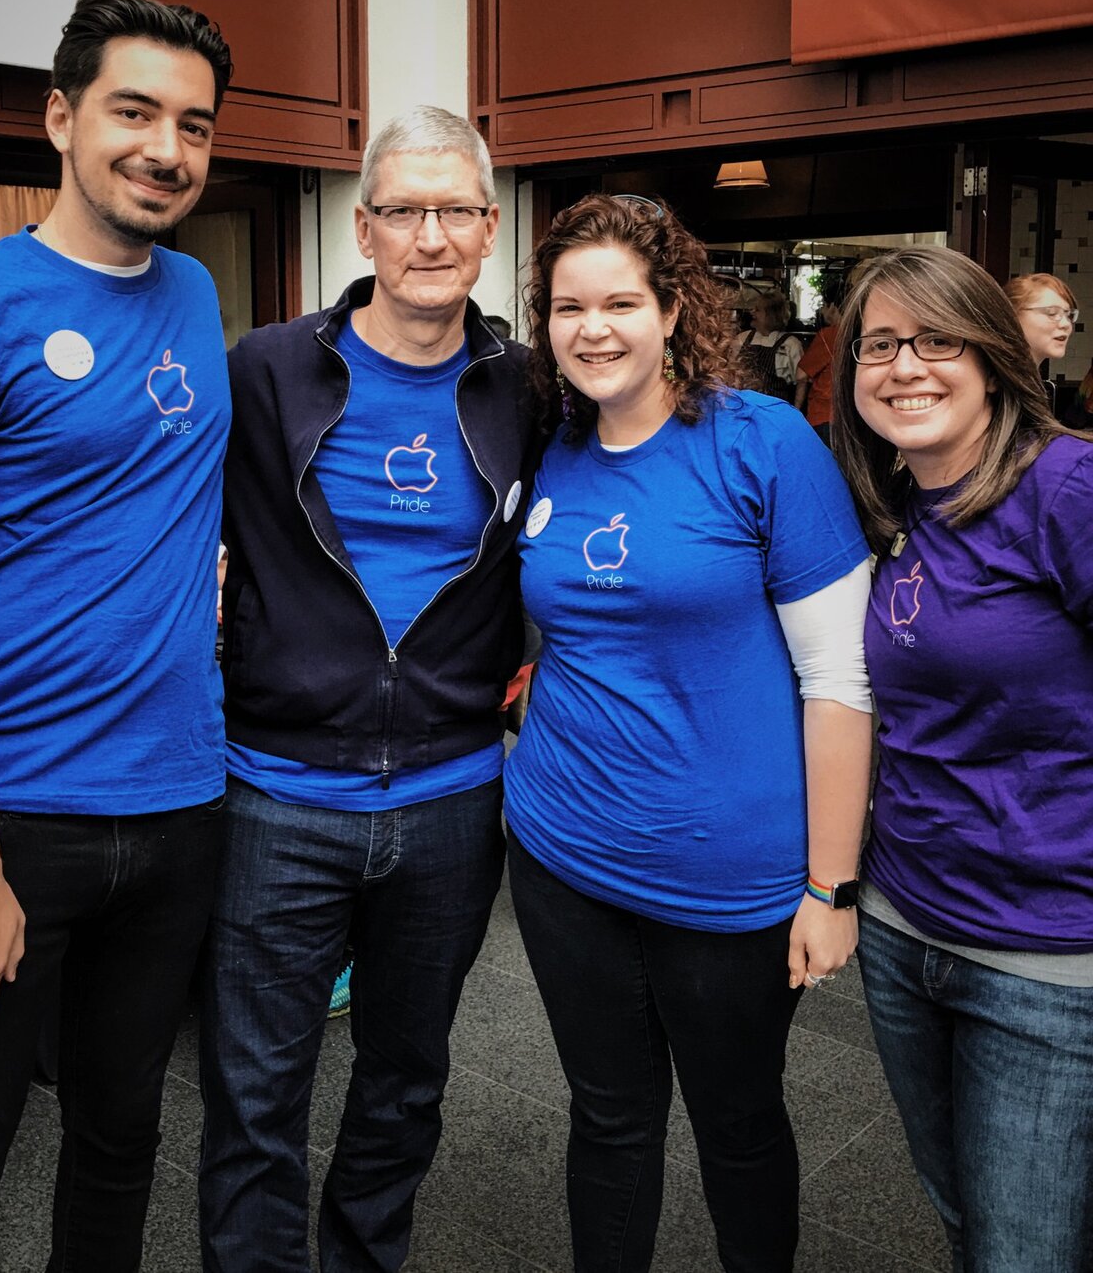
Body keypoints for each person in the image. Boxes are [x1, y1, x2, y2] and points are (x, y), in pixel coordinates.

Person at [0, 0, 233, 1271]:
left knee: (119, 1143)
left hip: (179, 811)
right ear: (60, 117)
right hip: (8, 817)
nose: (165, 148)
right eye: (133, 111)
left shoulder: (196, 294)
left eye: (193, 125)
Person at [504, 193, 873, 1272]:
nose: (594, 327)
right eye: (569, 306)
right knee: (608, 1117)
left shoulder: (762, 443)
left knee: (739, 1125)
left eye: (621, 300)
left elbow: (841, 678)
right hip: (562, 857)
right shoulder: (557, 444)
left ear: (673, 307)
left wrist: (831, 887)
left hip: (731, 880)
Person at [199, 105, 538, 1273]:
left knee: (405, 1085)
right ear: (364, 227)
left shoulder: (526, 390)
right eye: (404, 210)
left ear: (489, 228)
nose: (429, 236)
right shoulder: (267, 371)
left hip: (452, 797)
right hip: (275, 794)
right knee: (253, 1095)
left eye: (454, 210)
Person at [831, 246, 1093, 1272]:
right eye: (881, 345)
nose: (907, 367)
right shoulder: (893, 507)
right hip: (905, 926)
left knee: (1025, 1252)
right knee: (965, 1220)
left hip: (1049, 957)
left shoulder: (1065, 484)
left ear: (993, 357)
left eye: (937, 340)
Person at [1005, 271, 1079, 411]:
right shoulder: (995, 381)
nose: (1066, 324)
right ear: (1013, 315)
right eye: (1051, 313)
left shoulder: (1028, 381)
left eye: (1069, 315)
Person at [794, 282, 845, 444]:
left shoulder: (829, 335)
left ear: (833, 307)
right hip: (852, 419)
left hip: (824, 416)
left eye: (824, 305)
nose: (822, 311)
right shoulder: (862, 332)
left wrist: (795, 411)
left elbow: (801, 375)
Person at [734, 289, 804, 403]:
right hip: (745, 407)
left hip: (775, 411)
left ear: (771, 315)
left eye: (758, 310)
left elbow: (801, 382)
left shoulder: (790, 344)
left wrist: (795, 411)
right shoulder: (742, 339)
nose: (752, 313)